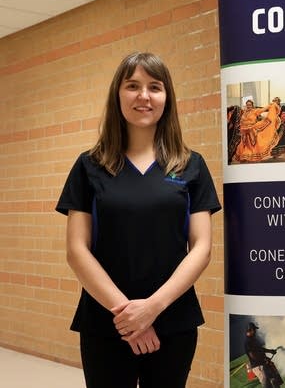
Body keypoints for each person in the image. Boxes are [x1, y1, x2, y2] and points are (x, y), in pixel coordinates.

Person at [55, 52, 221, 388]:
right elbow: (77, 250)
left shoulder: (191, 166)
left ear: (166, 97)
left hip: (172, 320)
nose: (143, 96)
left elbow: (201, 248)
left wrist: (151, 309)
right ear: (118, 95)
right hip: (106, 321)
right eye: (133, 86)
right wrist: (128, 316)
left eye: (154, 87)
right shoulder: (90, 166)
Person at [245, 322, 282, 388]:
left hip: (263, 363)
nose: (255, 331)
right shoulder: (248, 342)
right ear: (251, 330)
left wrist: (270, 351)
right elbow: (252, 355)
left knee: (274, 380)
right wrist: (263, 360)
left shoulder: (253, 339)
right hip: (258, 366)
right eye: (254, 330)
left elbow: (261, 349)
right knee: (266, 384)